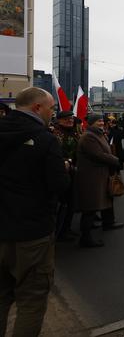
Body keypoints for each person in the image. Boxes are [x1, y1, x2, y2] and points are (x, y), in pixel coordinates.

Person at [0, 87, 69, 336]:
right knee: (31, 300)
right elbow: (59, 186)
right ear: (37, 108)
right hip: (32, 233)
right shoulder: (45, 139)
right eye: (51, 108)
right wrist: (63, 168)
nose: (53, 113)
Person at [74, 114, 123, 248]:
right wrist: (115, 160)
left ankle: (104, 225)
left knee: (99, 203)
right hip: (91, 177)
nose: (101, 123)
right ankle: (85, 238)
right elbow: (98, 155)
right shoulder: (89, 136)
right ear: (91, 123)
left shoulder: (98, 134)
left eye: (102, 120)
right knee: (90, 207)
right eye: (98, 121)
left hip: (99, 175)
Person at [52, 110, 80, 242]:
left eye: (71, 119)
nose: (70, 121)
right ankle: (60, 231)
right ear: (59, 120)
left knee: (71, 202)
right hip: (62, 172)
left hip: (73, 171)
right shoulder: (55, 134)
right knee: (63, 203)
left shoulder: (74, 132)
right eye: (66, 119)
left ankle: (66, 229)